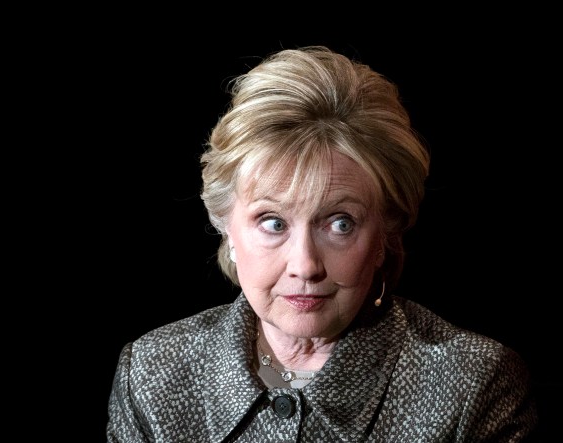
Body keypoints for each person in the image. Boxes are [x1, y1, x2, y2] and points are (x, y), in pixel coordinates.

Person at [106, 45, 538, 442]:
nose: (306, 265)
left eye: (340, 224)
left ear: (384, 236)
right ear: (226, 228)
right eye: (273, 223)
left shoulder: (474, 383)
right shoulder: (150, 374)